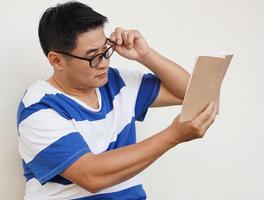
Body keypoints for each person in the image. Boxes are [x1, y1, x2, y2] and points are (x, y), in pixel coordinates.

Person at [17, 1, 218, 199]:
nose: (104, 63)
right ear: (56, 60)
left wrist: (145, 55)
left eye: (106, 50)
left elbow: (191, 93)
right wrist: (173, 135)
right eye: (93, 56)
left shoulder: (116, 82)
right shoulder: (39, 107)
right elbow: (92, 176)